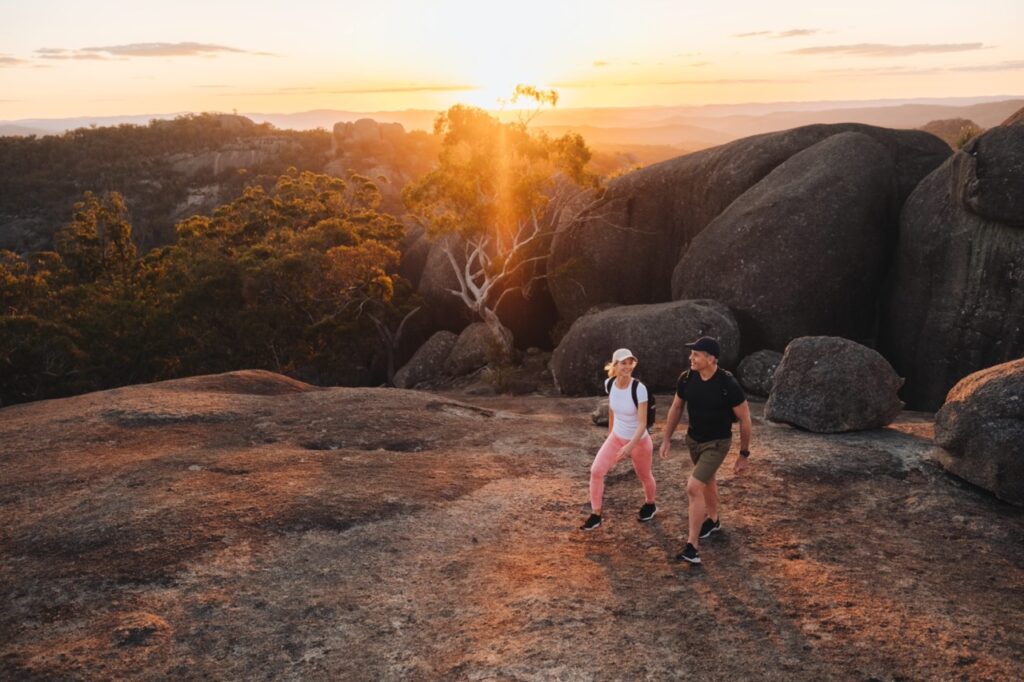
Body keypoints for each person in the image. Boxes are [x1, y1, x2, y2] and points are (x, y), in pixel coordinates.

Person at [658, 336, 752, 563]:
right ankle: (713, 520)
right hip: (694, 441)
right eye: (692, 354)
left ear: (711, 359)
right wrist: (666, 438)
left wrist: (743, 454)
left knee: (693, 487)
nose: (691, 358)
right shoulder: (687, 378)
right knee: (707, 480)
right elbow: (676, 407)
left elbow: (745, 419)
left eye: (696, 354)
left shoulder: (727, 384)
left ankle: (692, 547)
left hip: (717, 443)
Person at [581, 348, 658, 531]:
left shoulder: (639, 389)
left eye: (630, 362)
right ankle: (596, 515)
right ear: (614, 366)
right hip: (617, 437)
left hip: (639, 442)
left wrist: (629, 447)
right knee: (596, 471)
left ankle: (650, 504)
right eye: (623, 363)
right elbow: (612, 410)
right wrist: (611, 435)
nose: (627, 366)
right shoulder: (609, 384)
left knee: (644, 476)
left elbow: (642, 424)